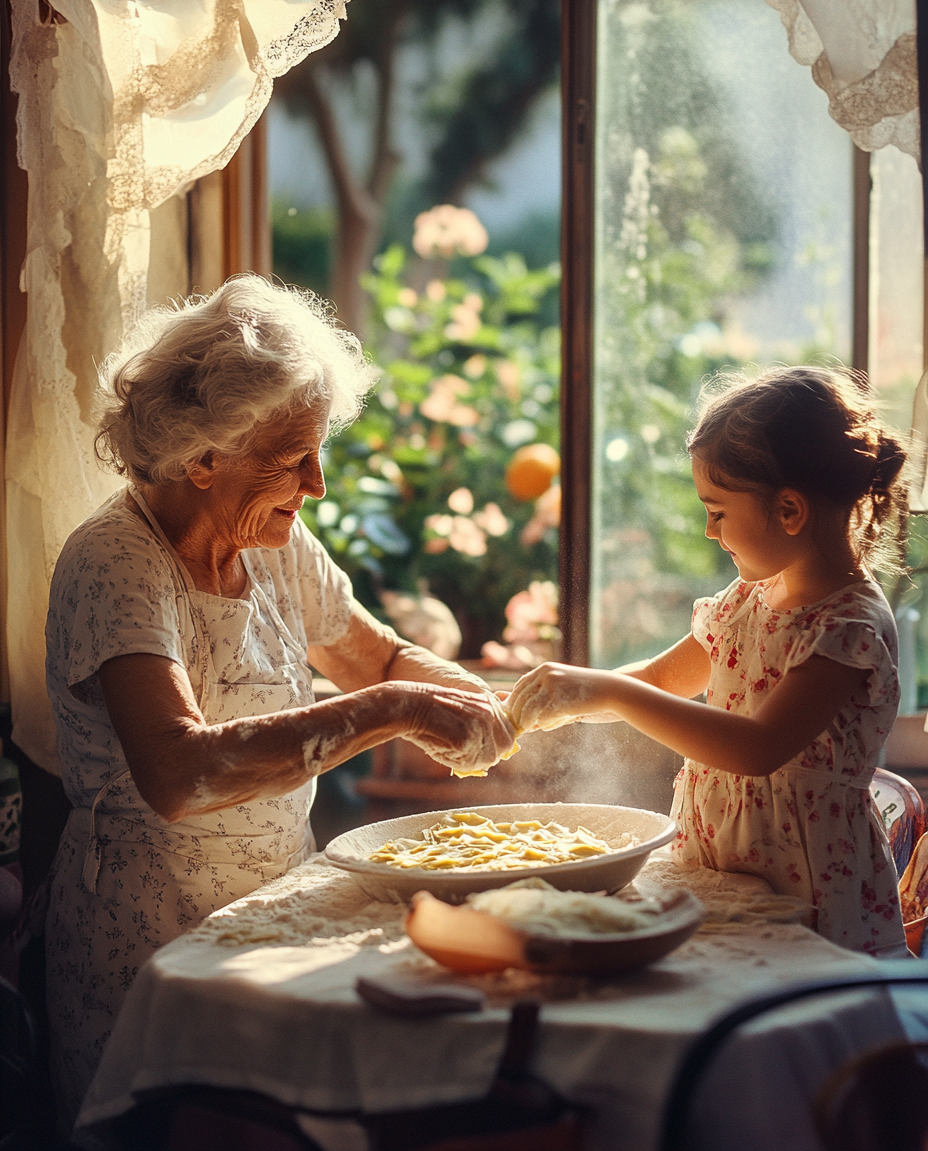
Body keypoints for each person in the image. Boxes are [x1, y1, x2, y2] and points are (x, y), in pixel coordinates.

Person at [44, 275, 516, 1122]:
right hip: (149, 946)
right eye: (294, 457)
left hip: (266, 923)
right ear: (203, 458)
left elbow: (379, 661)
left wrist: (490, 704)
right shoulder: (116, 563)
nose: (319, 483)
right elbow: (178, 773)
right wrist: (395, 711)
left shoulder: (274, 540)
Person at [507, 366, 908, 955]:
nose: (707, 530)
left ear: (790, 510)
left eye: (718, 512)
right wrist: (546, 707)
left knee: (782, 1026)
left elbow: (756, 748)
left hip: (811, 888)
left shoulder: (846, 628)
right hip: (716, 862)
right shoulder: (745, 600)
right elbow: (658, 680)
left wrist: (611, 693)